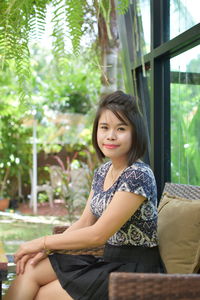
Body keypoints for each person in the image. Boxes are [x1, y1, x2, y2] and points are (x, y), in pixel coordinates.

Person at [4, 91, 165, 300]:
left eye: (121, 128)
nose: (110, 136)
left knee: (43, 295)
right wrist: (49, 248)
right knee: (29, 270)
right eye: (104, 127)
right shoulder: (103, 171)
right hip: (107, 261)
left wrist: (44, 242)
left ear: (136, 134)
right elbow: (85, 222)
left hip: (134, 271)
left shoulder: (138, 175)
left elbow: (98, 234)